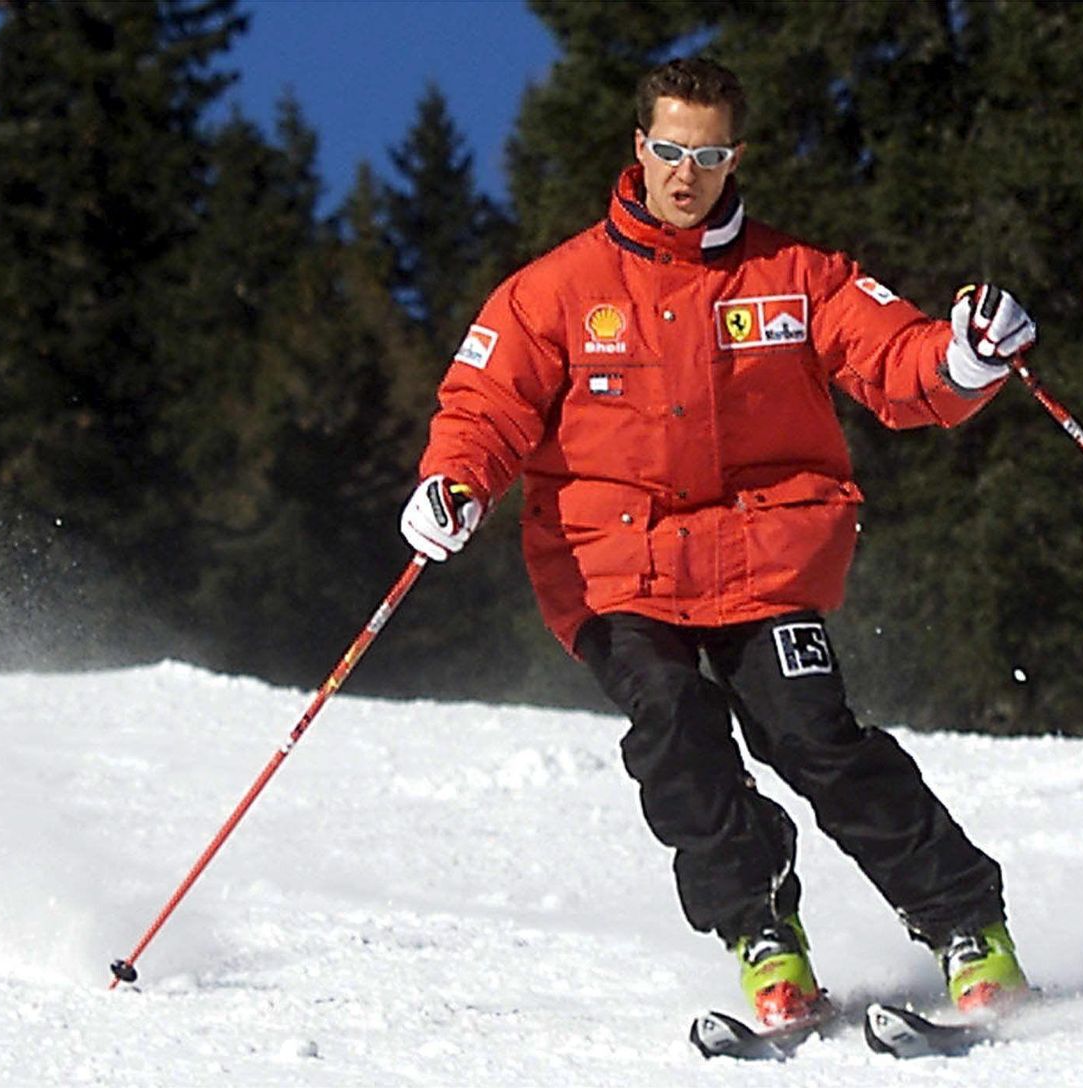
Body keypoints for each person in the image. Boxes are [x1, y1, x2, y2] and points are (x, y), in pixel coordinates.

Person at [399, 57, 1036, 1028]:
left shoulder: (797, 277)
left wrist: (964, 357)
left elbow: (899, 361)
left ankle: (966, 927)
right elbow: (485, 405)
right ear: (638, 148)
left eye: (705, 152)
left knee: (812, 734)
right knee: (676, 731)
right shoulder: (557, 289)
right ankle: (761, 930)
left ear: (733, 156)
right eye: (667, 149)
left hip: (764, 558)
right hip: (617, 565)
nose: (684, 172)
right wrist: (451, 485)